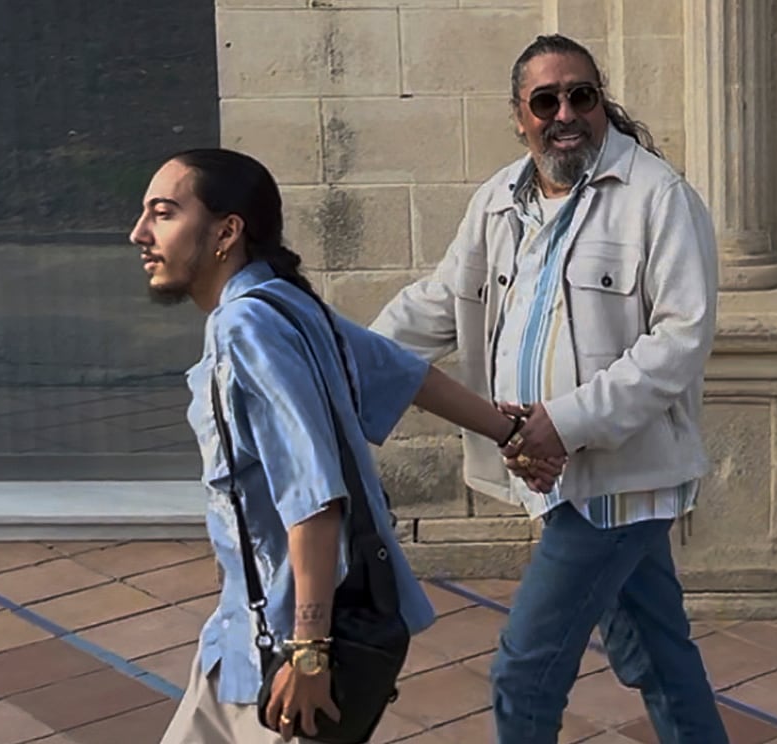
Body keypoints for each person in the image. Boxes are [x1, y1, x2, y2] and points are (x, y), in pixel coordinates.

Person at [130, 148, 559, 744]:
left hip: (285, 645)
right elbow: (404, 373)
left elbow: (315, 500)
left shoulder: (246, 326)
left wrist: (309, 654)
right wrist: (511, 434)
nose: (139, 233)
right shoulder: (289, 304)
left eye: (163, 213)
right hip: (239, 636)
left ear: (227, 231)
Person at [371, 34, 729, 744]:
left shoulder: (658, 198)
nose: (565, 113)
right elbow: (443, 301)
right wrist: (351, 357)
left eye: (582, 96)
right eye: (546, 100)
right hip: (554, 478)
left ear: (602, 102)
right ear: (519, 115)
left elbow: (679, 342)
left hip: (617, 481)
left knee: (523, 674)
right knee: (654, 653)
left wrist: (560, 423)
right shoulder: (498, 201)